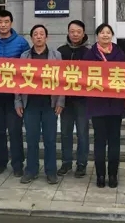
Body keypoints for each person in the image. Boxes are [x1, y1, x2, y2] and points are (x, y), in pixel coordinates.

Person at [15, 25, 65, 185]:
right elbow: (18, 80)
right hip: (30, 104)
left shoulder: (56, 56)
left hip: (50, 104)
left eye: (41, 34)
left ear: (46, 37)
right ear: (31, 38)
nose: (38, 36)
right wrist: (18, 101)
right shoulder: (24, 56)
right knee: (31, 139)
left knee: (50, 140)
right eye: (35, 34)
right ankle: (31, 170)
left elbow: (62, 80)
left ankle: (51, 172)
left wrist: (61, 101)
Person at [0, 10, 30, 177]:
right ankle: (1, 162)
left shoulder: (21, 43)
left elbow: (28, 66)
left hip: (14, 95)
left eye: (6, 22)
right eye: (0, 22)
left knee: (14, 130)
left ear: (11, 23)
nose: (3, 25)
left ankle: (17, 164)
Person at [83, 23, 125, 189]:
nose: (105, 35)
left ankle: (113, 174)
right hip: (97, 105)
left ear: (112, 35)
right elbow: (84, 76)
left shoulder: (119, 53)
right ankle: (100, 174)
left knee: (114, 141)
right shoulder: (90, 54)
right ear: (97, 35)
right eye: (102, 32)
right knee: (99, 141)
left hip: (115, 104)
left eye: (108, 32)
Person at [57, 20, 90, 178]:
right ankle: (66, 162)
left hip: (83, 101)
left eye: (78, 31)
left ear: (83, 33)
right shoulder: (60, 52)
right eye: (72, 31)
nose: (75, 34)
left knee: (82, 133)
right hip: (66, 100)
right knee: (65, 132)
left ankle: (82, 164)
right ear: (68, 33)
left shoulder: (90, 53)